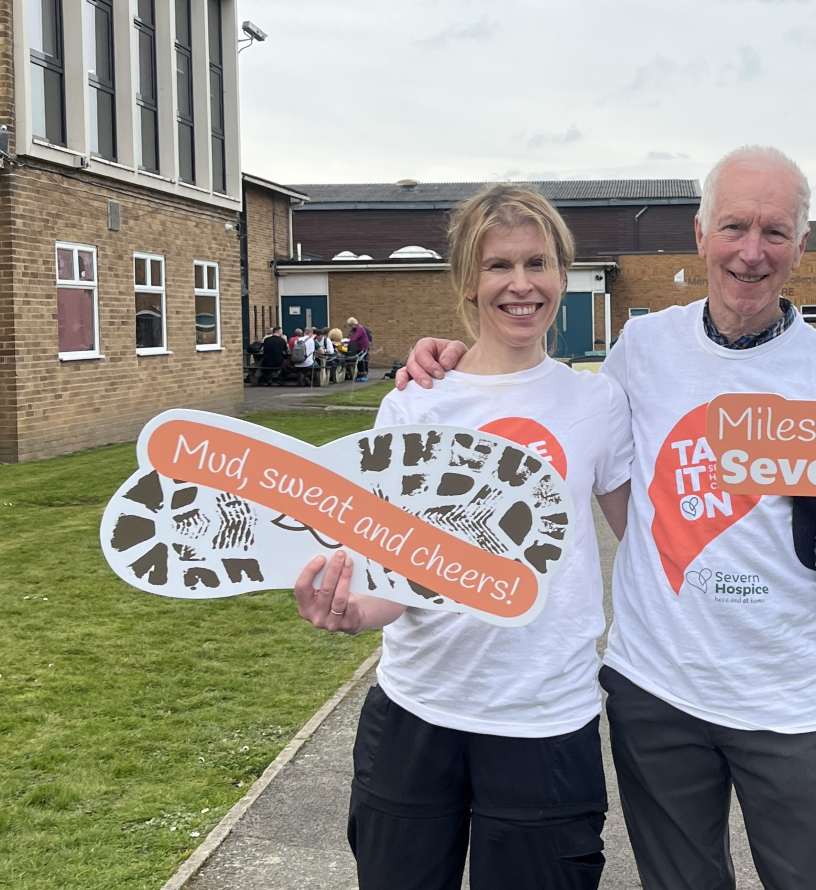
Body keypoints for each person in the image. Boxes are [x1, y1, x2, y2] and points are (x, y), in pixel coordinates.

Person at [397, 146, 816, 890]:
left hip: (786, 700)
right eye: (733, 227)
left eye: (774, 232)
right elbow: (542, 397)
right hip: (655, 694)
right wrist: (454, 358)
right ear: (700, 235)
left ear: (801, 246)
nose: (751, 253)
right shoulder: (644, 347)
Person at [293, 185, 632, 890]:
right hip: (419, 708)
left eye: (538, 262)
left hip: (544, 715)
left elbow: (647, 537)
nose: (520, 284)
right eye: (498, 265)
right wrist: (356, 609)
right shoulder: (415, 401)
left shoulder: (595, 403)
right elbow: (391, 564)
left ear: (562, 275)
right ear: (468, 283)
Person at [347, 317, 371, 382]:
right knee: (359, 362)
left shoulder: (359, 328)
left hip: (363, 347)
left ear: (353, 323)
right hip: (358, 347)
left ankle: (364, 375)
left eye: (350, 325)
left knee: (362, 361)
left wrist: (348, 341)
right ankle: (360, 375)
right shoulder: (354, 329)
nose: (350, 327)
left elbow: (355, 337)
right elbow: (350, 336)